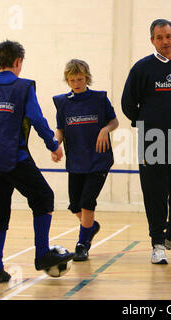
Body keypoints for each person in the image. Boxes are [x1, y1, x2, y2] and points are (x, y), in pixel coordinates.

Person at [0, 40, 75, 284]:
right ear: (18, 62)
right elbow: (38, 120)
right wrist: (54, 145)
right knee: (43, 198)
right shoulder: (23, 87)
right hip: (13, 158)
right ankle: (42, 254)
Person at [121, 19, 171, 264]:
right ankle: (157, 243)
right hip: (152, 141)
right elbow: (127, 104)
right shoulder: (142, 68)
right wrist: (146, 123)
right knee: (155, 193)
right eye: (159, 37)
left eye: (168, 36)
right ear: (152, 40)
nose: (164, 41)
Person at [53, 59, 119, 261]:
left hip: (99, 159)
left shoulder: (99, 99)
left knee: (87, 201)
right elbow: (60, 129)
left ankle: (83, 244)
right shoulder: (63, 102)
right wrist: (55, 145)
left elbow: (114, 121)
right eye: (72, 80)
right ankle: (90, 227)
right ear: (67, 80)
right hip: (76, 160)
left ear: (86, 77)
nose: (76, 83)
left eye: (80, 79)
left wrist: (104, 130)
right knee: (75, 205)